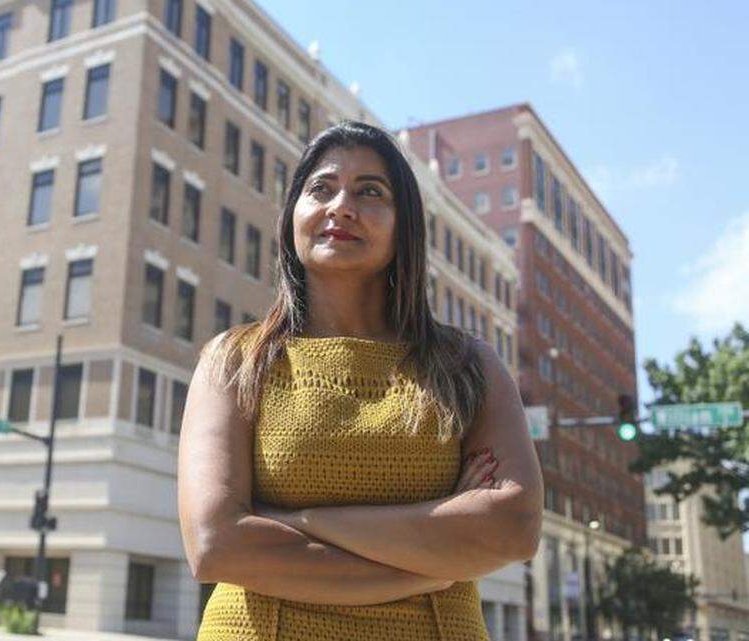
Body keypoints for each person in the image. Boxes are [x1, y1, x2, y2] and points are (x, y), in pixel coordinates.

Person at [177, 121, 544, 640]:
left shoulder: (469, 365)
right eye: (321, 189)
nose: (341, 207)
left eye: (370, 192)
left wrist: (301, 521)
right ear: (293, 216)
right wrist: (437, 564)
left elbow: (513, 527)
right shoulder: (234, 360)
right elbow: (217, 545)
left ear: (404, 226)